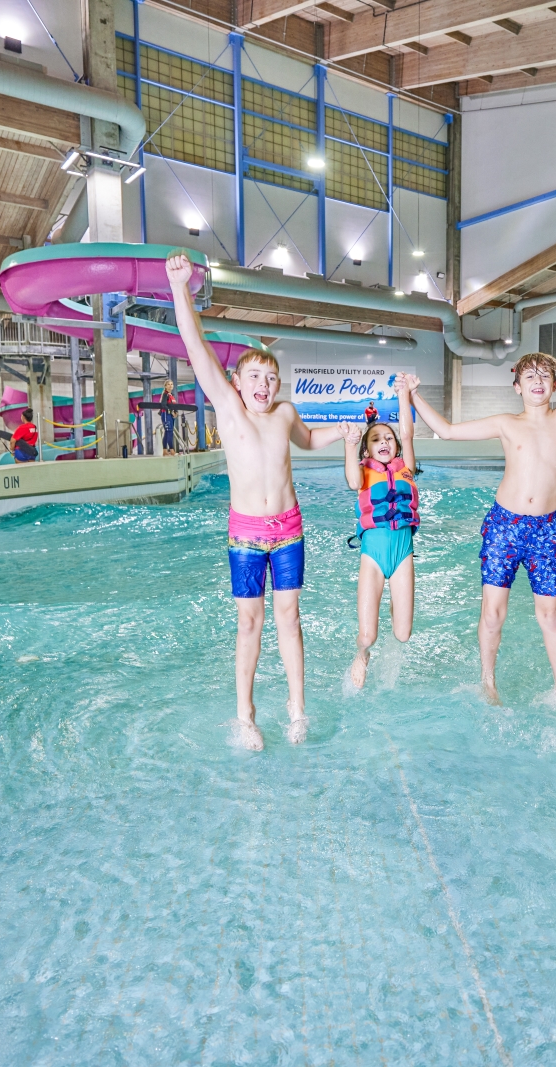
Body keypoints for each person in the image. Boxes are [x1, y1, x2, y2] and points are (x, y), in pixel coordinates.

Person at [404, 286, 556, 710]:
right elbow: (446, 431)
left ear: (555, 384)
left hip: (546, 530)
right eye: (529, 375)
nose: (537, 381)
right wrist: (412, 395)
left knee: (550, 615)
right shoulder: (506, 423)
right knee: (493, 613)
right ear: (517, 386)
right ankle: (488, 681)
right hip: (504, 526)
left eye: (545, 375)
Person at [166, 252, 349, 750]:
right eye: (254, 377)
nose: (263, 386)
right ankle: (245, 715)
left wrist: (345, 431)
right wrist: (181, 288)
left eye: (270, 378)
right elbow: (195, 345)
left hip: (289, 529)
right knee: (250, 622)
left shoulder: (286, 413)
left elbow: (308, 442)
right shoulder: (228, 408)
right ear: (238, 382)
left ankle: (296, 708)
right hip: (245, 534)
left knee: (290, 618)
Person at [343, 375, 419, 690]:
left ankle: (393, 603)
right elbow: (350, 480)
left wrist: (405, 394)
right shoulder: (361, 472)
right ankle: (361, 656)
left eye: (388, 438)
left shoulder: (407, 467)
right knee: (367, 636)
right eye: (376, 439)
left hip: (402, 554)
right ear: (367, 450)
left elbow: (408, 431)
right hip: (372, 556)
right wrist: (349, 443)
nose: (384, 442)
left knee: (403, 634)